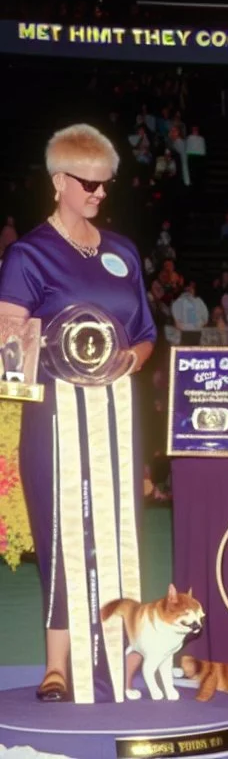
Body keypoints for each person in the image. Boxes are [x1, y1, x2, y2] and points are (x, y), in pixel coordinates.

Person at [0, 124, 156, 703]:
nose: (99, 194)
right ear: (60, 182)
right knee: (61, 533)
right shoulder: (27, 254)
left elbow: (144, 333)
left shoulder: (123, 252)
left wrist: (129, 361)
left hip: (116, 417)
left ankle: (122, 652)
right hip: (52, 420)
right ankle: (57, 666)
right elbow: (8, 352)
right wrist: (31, 349)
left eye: (105, 184)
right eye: (88, 184)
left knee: (120, 533)